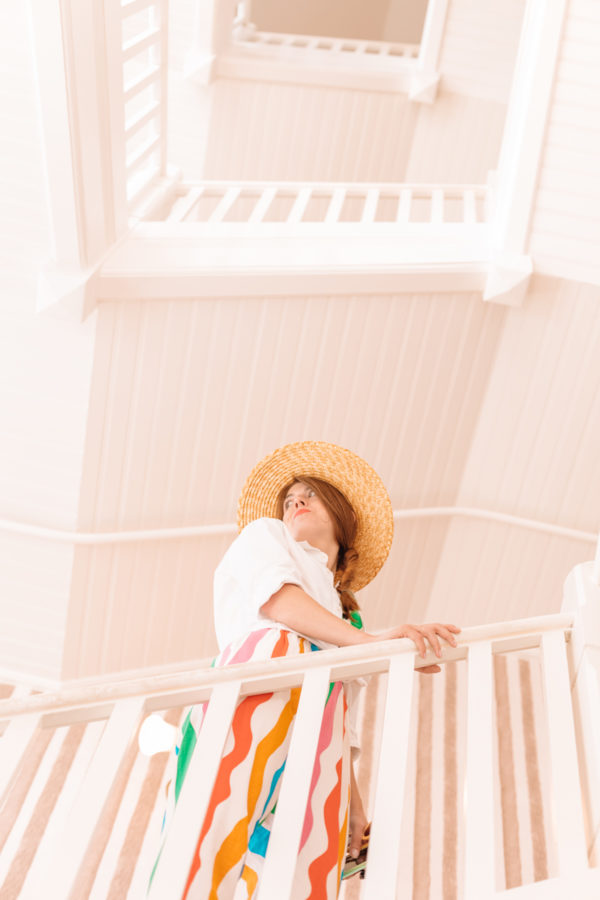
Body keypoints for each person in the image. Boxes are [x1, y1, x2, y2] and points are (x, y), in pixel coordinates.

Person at [150, 441, 460, 899]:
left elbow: (343, 720)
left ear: (341, 516)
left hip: (324, 720)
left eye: (309, 494)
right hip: (262, 671)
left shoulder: (346, 618)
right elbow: (279, 602)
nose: (295, 501)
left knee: (306, 874)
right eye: (290, 497)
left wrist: (354, 808)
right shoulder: (265, 535)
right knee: (207, 834)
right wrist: (374, 644)